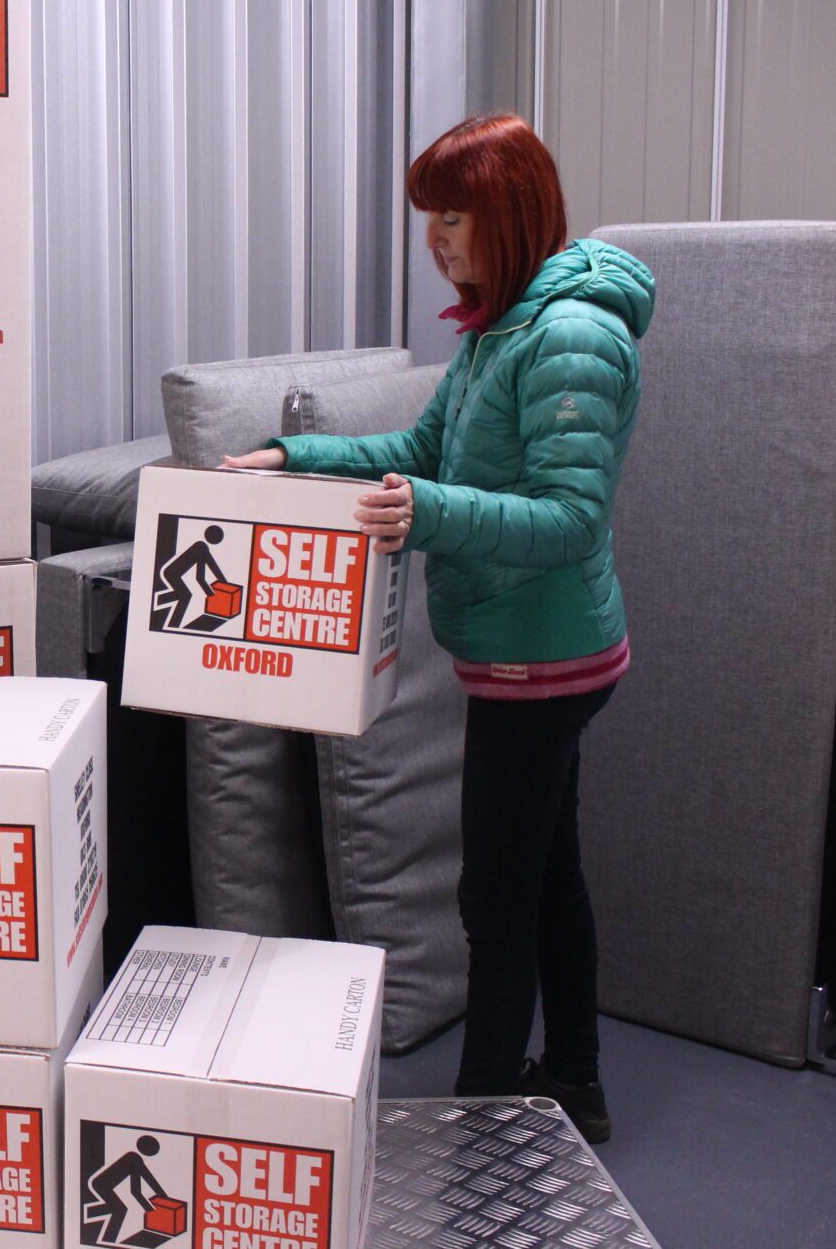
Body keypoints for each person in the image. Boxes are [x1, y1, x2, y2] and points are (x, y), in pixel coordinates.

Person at [224, 113, 651, 1143]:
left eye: (452, 217)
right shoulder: (500, 326)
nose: (437, 240)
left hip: (541, 656)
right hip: (520, 646)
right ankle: (574, 1085)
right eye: (430, 220)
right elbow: (422, 443)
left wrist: (425, 510)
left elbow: (567, 517)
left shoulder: (568, 337)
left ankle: (484, 1117)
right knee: (545, 876)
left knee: (492, 900)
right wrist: (295, 457)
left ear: (508, 212)